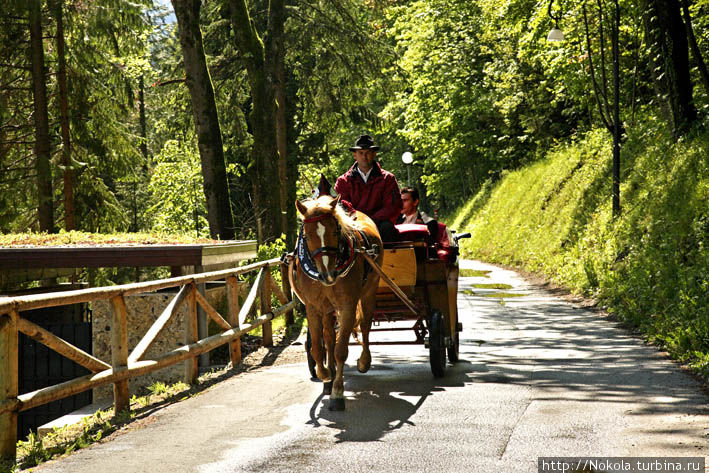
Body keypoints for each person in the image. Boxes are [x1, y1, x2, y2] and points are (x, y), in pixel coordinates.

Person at [335, 134, 402, 242]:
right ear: (354, 155)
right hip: (353, 224)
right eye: (361, 153)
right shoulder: (343, 181)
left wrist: (371, 220)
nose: (364, 156)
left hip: (380, 225)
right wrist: (358, 219)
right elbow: (342, 206)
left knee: (388, 228)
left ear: (374, 154)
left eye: (368, 153)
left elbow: (393, 206)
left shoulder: (387, 178)